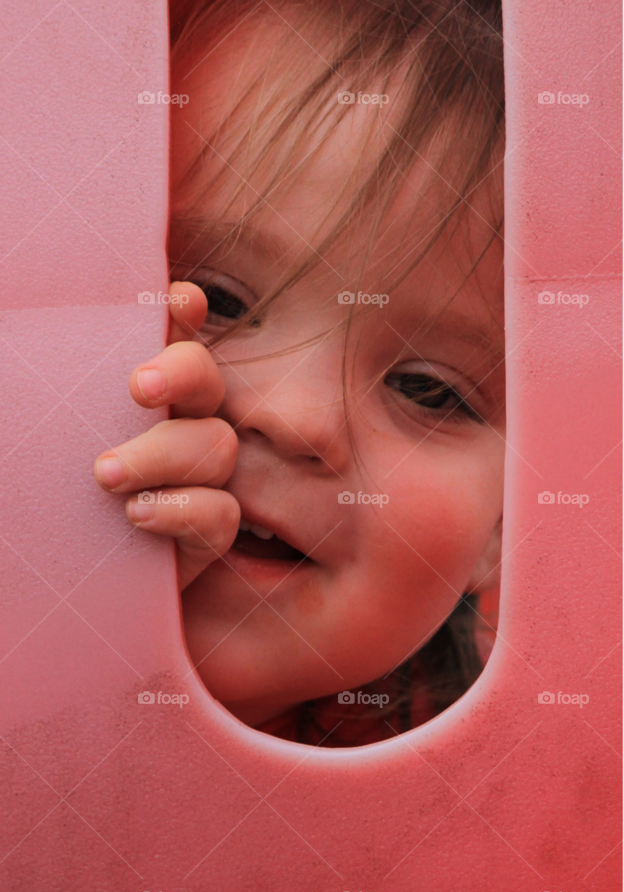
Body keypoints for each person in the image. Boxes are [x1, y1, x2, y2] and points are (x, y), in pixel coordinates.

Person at [94, 0, 505, 746]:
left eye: (428, 389)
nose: (293, 417)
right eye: (217, 299)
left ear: (511, 533)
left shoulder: (524, 815)